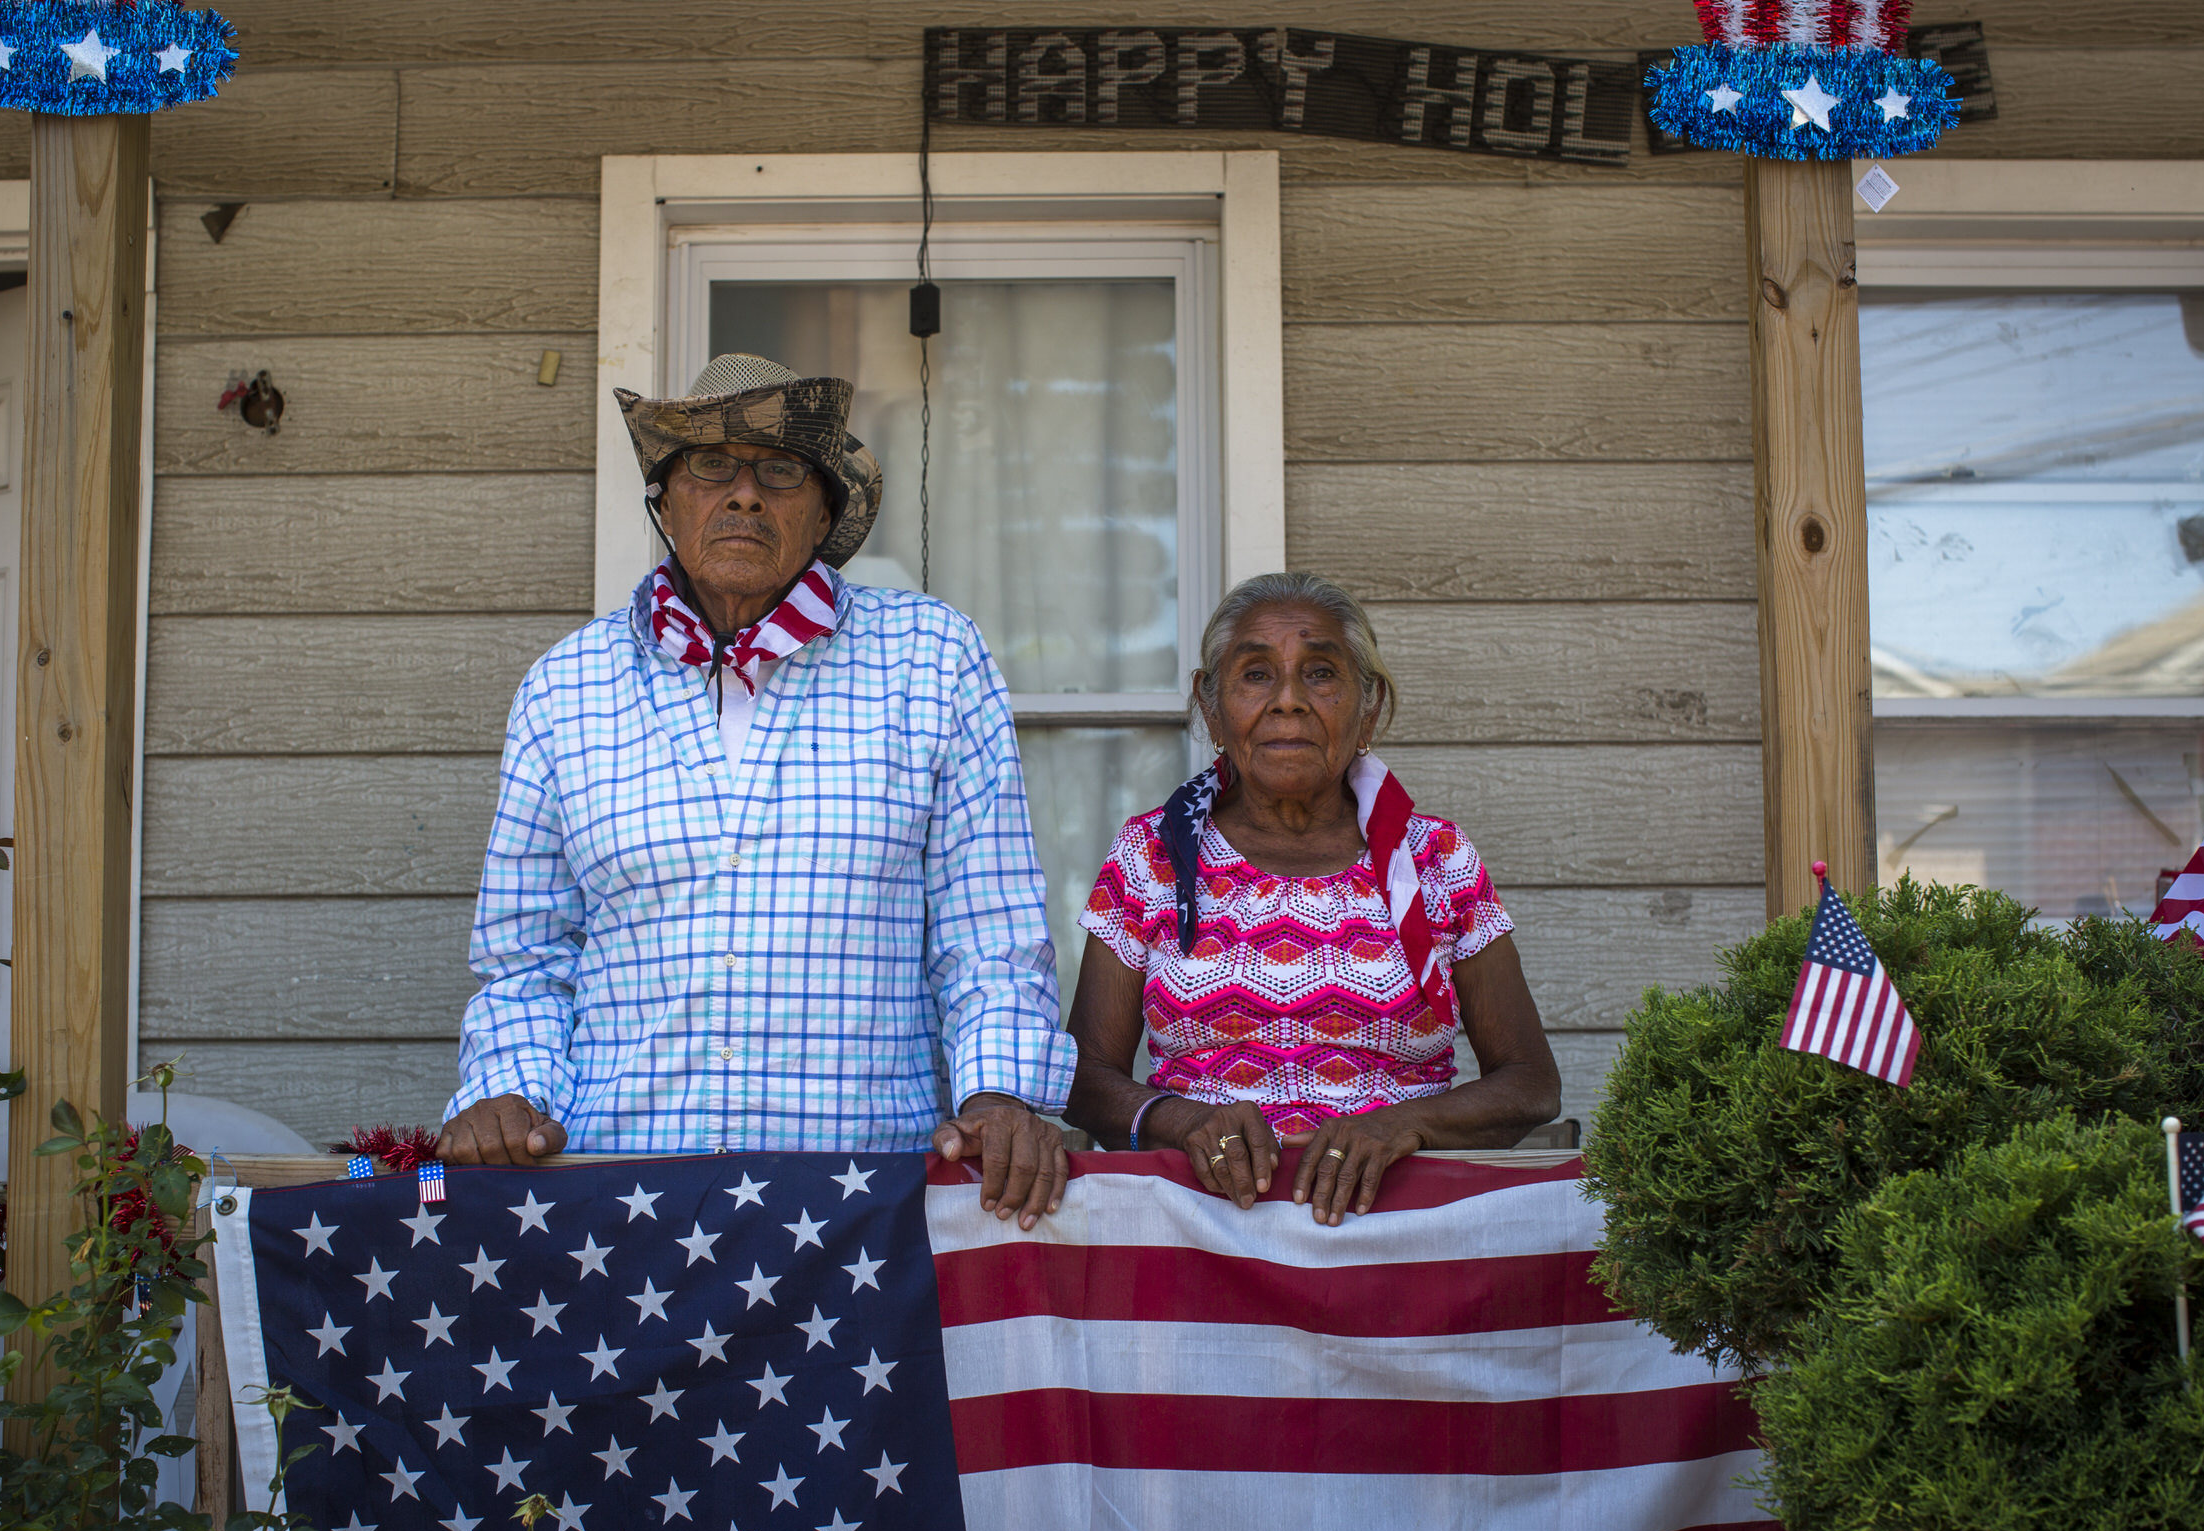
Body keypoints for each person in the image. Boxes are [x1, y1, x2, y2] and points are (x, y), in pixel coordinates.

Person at [437, 353, 1076, 1229]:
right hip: (619, 1199)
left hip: (861, 1209)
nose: (744, 495)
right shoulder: (567, 687)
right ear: (665, 502)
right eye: (709, 465)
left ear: (823, 512)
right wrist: (507, 1088)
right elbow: (528, 956)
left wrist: (1001, 1093)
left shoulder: (931, 662)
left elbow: (989, 930)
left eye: (779, 471)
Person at [1064, 572, 1560, 1224]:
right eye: (1256, 674)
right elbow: (1085, 1076)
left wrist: (1398, 1126)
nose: (1289, 700)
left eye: (1321, 673)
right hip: (1203, 1231)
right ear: (1211, 707)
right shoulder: (1151, 856)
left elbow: (1530, 1082)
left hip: (1400, 1229)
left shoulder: (1437, 858)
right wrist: (1183, 1121)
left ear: (1370, 705)